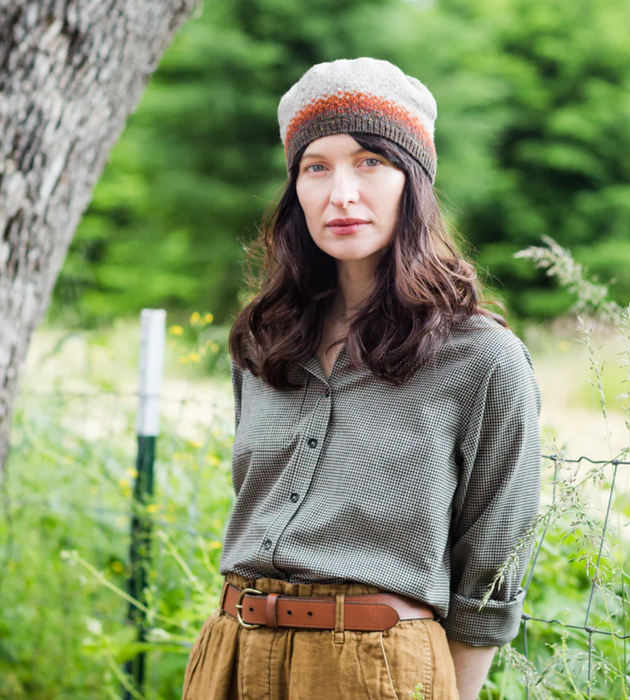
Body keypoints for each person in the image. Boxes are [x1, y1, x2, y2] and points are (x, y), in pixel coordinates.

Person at [181, 56, 542, 700]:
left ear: (414, 182)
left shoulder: (482, 358)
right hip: (230, 655)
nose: (340, 193)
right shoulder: (263, 344)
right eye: (316, 167)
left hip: (375, 669)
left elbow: (492, 565)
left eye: (370, 162)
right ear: (295, 190)